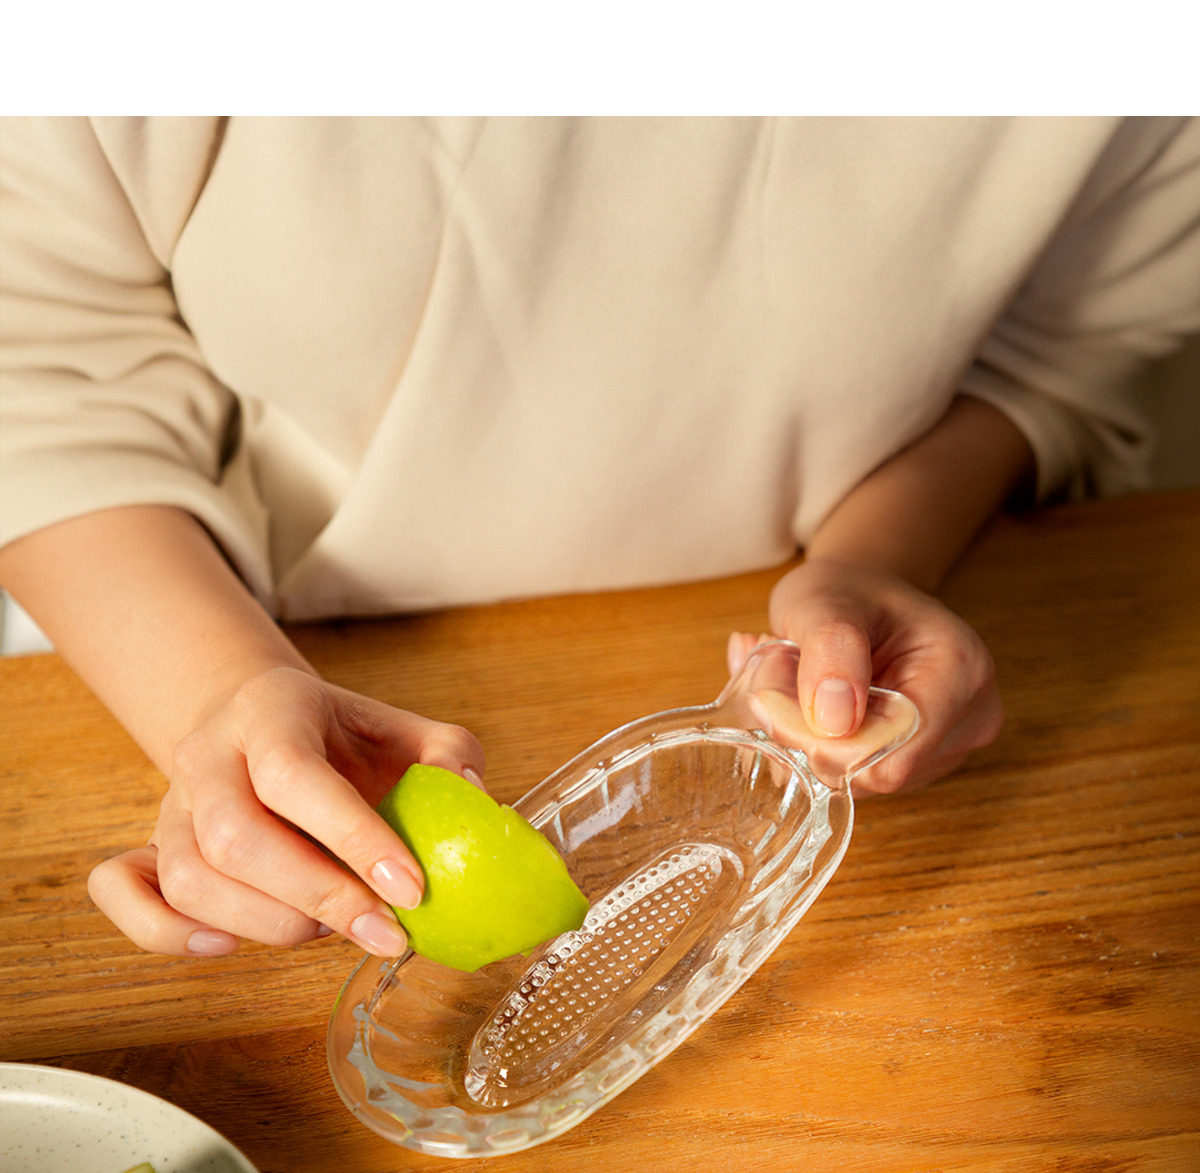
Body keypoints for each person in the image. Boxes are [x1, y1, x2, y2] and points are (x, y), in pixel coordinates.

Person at [2, 116, 1198, 963]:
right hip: (242, 610)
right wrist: (220, 699)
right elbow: (45, 365)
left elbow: (1064, 343)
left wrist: (872, 565)